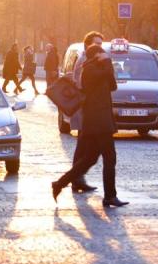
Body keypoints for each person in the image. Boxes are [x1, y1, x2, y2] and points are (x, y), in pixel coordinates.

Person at [52, 44, 128, 208]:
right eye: (102, 53)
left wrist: (107, 65)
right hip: (97, 121)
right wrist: (107, 63)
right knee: (110, 157)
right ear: (95, 56)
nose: (105, 55)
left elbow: (113, 86)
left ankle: (59, 184)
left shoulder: (100, 68)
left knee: (89, 159)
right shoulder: (89, 70)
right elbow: (104, 76)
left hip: (100, 121)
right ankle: (110, 196)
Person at [68, 31, 105, 193]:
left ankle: (77, 178)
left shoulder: (88, 59)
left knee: (84, 145)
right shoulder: (85, 60)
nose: (99, 47)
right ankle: (75, 178)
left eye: (100, 44)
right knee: (85, 146)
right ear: (87, 45)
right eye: (96, 44)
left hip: (88, 109)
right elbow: (84, 84)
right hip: (86, 109)